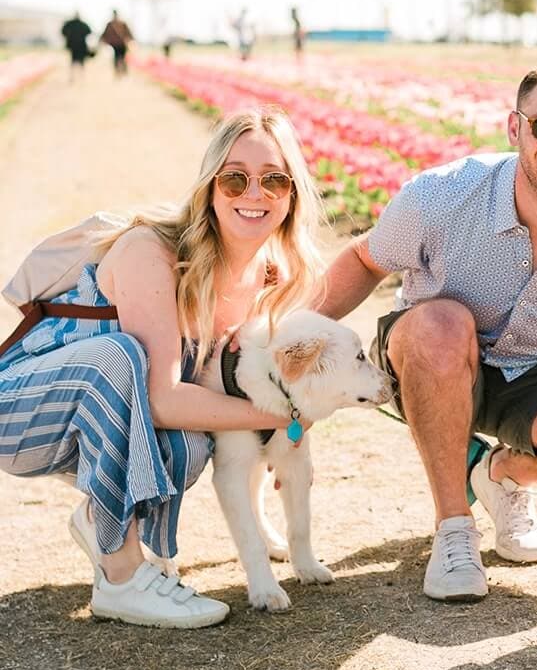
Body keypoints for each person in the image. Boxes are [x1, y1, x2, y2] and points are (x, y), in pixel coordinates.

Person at [317, 62, 537, 602]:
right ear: (515, 128)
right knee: (444, 323)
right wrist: (295, 340)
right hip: (429, 351)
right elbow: (363, 259)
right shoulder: (442, 197)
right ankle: (454, 528)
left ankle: (501, 473)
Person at [0, 106, 324, 628]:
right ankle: (121, 577)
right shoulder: (151, 250)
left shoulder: (269, 277)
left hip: (99, 424)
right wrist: (280, 418)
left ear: (292, 195)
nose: (253, 194)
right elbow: (162, 398)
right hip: (20, 410)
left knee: (195, 443)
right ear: (210, 186)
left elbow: (214, 397)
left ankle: (100, 518)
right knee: (121, 357)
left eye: (274, 180)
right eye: (235, 178)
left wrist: (283, 438)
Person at [99, 10, 134, 75]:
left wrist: (102, 40)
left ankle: (119, 71)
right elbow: (129, 33)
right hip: (121, 43)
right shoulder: (122, 23)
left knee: (117, 57)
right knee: (121, 57)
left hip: (116, 44)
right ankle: (121, 71)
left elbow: (104, 34)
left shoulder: (111, 24)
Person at [60, 12, 92, 82]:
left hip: (73, 45)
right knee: (81, 61)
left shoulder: (70, 24)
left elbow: (63, 31)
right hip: (81, 45)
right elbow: (89, 31)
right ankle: (81, 76)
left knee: (73, 61)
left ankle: (73, 76)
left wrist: (69, 36)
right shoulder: (83, 24)